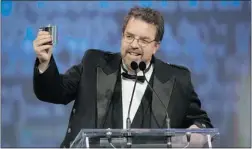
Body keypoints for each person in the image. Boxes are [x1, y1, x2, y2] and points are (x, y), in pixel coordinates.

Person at [33, 7, 213, 148]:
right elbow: (55, 91)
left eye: (143, 40)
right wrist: (44, 62)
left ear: (156, 46)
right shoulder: (93, 64)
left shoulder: (177, 79)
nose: (134, 45)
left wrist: (195, 133)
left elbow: (202, 123)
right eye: (129, 36)